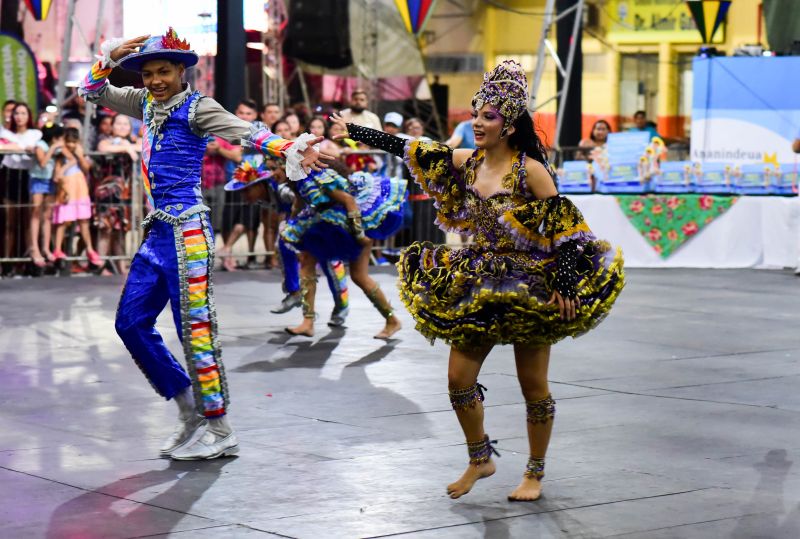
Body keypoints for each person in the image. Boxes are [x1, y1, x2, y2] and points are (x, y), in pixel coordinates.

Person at [332, 60, 625, 502]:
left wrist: (564, 284)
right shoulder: (466, 161)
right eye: (476, 114)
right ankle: (479, 457)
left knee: (534, 386)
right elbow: (410, 147)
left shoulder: (531, 171)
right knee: (458, 380)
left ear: (508, 125)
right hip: (476, 279)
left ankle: (534, 472)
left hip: (529, 283)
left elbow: (569, 230)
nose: (477, 122)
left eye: (487, 116)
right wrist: (355, 131)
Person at [79, 28, 327, 460]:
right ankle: (189, 407)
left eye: (164, 72)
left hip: (189, 234)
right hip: (158, 233)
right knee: (130, 324)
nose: (155, 80)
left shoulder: (198, 108)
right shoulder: (143, 103)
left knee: (195, 333)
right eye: (149, 73)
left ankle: (220, 428)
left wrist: (288, 145)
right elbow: (92, 90)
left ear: (181, 70)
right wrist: (112, 58)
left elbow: (244, 132)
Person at [277, 158, 407, 338]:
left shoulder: (315, 176)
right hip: (327, 220)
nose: (272, 174)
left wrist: (360, 235)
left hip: (350, 223)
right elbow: (298, 205)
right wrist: (290, 226)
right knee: (306, 262)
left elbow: (349, 201)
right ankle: (308, 322)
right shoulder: (297, 179)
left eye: (274, 168)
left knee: (359, 276)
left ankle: (392, 320)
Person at [225, 159, 351, 327]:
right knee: (285, 244)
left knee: (330, 262)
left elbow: (308, 201)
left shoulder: (283, 189)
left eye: (246, 191)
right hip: (306, 221)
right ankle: (296, 295)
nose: (244, 196)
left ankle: (340, 307)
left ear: (259, 185)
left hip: (324, 220)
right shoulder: (271, 191)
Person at [217, 99, 263, 271]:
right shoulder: (226, 127)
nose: (244, 116)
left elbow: (237, 155)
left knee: (248, 220)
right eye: (241, 112)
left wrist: (222, 150)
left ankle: (227, 248)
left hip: (255, 183)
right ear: (236, 112)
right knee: (228, 220)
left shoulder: (260, 130)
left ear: (255, 115)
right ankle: (228, 257)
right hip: (231, 181)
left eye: (248, 113)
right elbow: (233, 153)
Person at [0, 102, 42, 274]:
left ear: (29, 116)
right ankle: (8, 261)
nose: (19, 116)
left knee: (28, 222)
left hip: (28, 177)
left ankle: (28, 262)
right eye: (16, 113)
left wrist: (18, 147)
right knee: (10, 222)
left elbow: (37, 148)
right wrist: (23, 148)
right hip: (9, 177)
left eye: (23, 113)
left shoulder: (35, 133)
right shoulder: (5, 132)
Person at [51, 127, 101, 267]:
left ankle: (90, 249)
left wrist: (79, 157)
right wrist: (64, 189)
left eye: (74, 142)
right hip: (67, 190)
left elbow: (86, 169)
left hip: (80, 189)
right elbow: (57, 175)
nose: (71, 145)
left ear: (78, 142)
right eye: (69, 142)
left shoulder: (79, 155)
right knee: (62, 222)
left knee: (84, 221)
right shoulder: (61, 156)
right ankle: (58, 249)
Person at [29, 123, 65, 267]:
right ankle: (35, 248)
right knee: (36, 213)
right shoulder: (41, 145)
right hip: (37, 180)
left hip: (50, 181)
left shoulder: (55, 147)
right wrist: (53, 148)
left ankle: (45, 247)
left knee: (47, 216)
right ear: (54, 136)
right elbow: (43, 162)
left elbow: (58, 161)